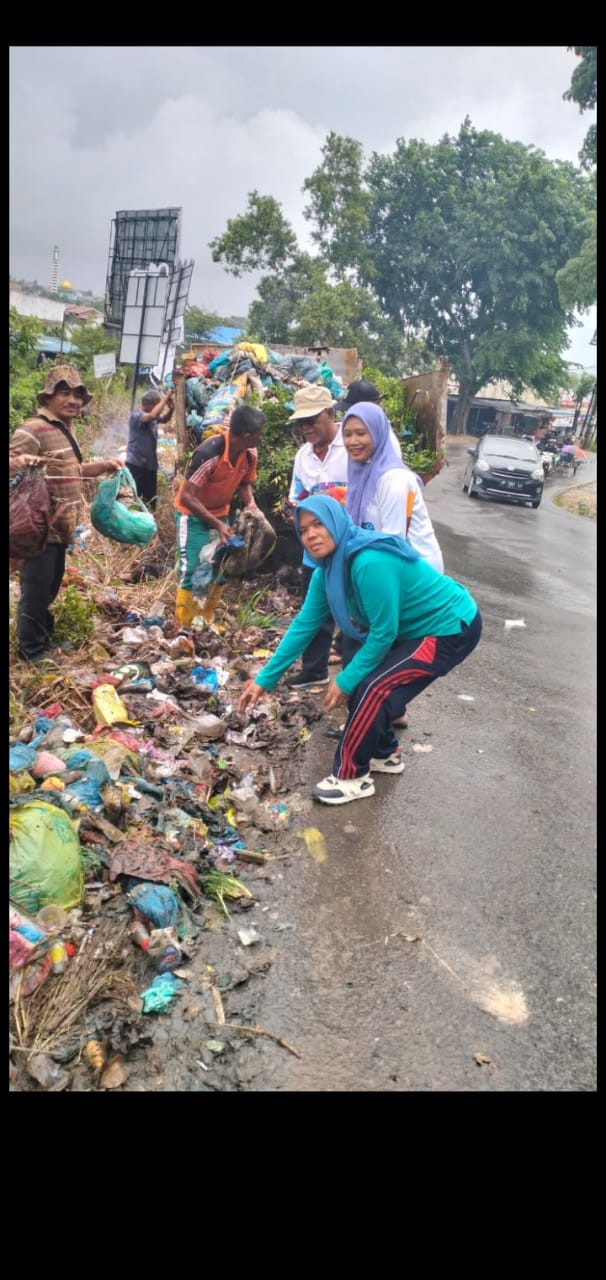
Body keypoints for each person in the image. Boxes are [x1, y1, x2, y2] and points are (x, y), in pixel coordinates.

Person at [238, 496, 482, 805]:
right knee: (364, 677)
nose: (311, 534)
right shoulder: (326, 572)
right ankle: (384, 753)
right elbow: (304, 625)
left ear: (337, 523)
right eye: (304, 529)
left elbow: (383, 634)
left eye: (319, 525)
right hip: (414, 629)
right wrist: (265, 680)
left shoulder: (368, 561)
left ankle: (351, 777)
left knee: (371, 688)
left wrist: (346, 680)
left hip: (449, 625)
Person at [342, 400, 444, 729]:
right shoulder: (361, 470)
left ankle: (375, 719)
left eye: (361, 433)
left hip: (410, 570)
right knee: (385, 644)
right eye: (348, 434)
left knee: (384, 644)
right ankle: (388, 714)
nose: (353, 441)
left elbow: (392, 543)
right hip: (388, 566)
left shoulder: (393, 479)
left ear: (379, 434)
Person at [9, 365, 121, 663]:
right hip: (38, 526)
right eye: (64, 393)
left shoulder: (63, 428)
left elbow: (70, 471)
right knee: (35, 590)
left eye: (77, 395)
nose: (73, 400)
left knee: (51, 585)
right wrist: (19, 461)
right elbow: (11, 462)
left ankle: (43, 637)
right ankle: (31, 652)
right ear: (48, 397)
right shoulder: (33, 429)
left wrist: (100, 467)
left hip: (60, 527)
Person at [173, 404, 265, 626]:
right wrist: (217, 524)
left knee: (220, 568)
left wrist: (251, 504)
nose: (262, 437)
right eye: (259, 434)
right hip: (192, 516)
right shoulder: (209, 454)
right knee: (193, 569)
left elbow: (244, 483)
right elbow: (187, 497)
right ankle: (185, 626)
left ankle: (206, 620)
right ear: (245, 435)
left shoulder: (249, 454)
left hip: (220, 515)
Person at [282, 385, 348, 690]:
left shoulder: (350, 449)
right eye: (301, 423)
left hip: (348, 551)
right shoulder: (303, 457)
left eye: (312, 420)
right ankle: (314, 670)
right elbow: (297, 497)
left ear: (330, 414)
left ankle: (355, 683)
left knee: (355, 616)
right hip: (316, 552)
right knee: (315, 612)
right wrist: (291, 509)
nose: (306, 428)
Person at [126, 387, 174, 506]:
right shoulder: (137, 415)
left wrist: (171, 409)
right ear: (149, 404)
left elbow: (164, 419)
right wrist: (166, 397)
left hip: (150, 465)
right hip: (136, 464)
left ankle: (149, 519)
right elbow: (153, 415)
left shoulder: (152, 416)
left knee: (150, 499)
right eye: (157, 405)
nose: (160, 409)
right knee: (136, 499)